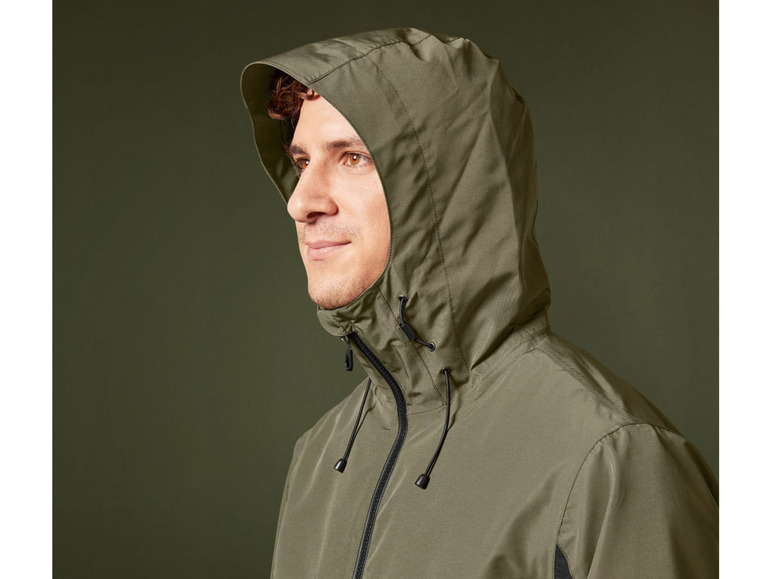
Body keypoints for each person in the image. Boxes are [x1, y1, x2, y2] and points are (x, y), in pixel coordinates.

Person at [241, 28, 718, 578]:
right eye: (302, 161)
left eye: (352, 157)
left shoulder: (612, 459)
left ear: (446, 189)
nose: (300, 202)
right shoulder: (320, 456)